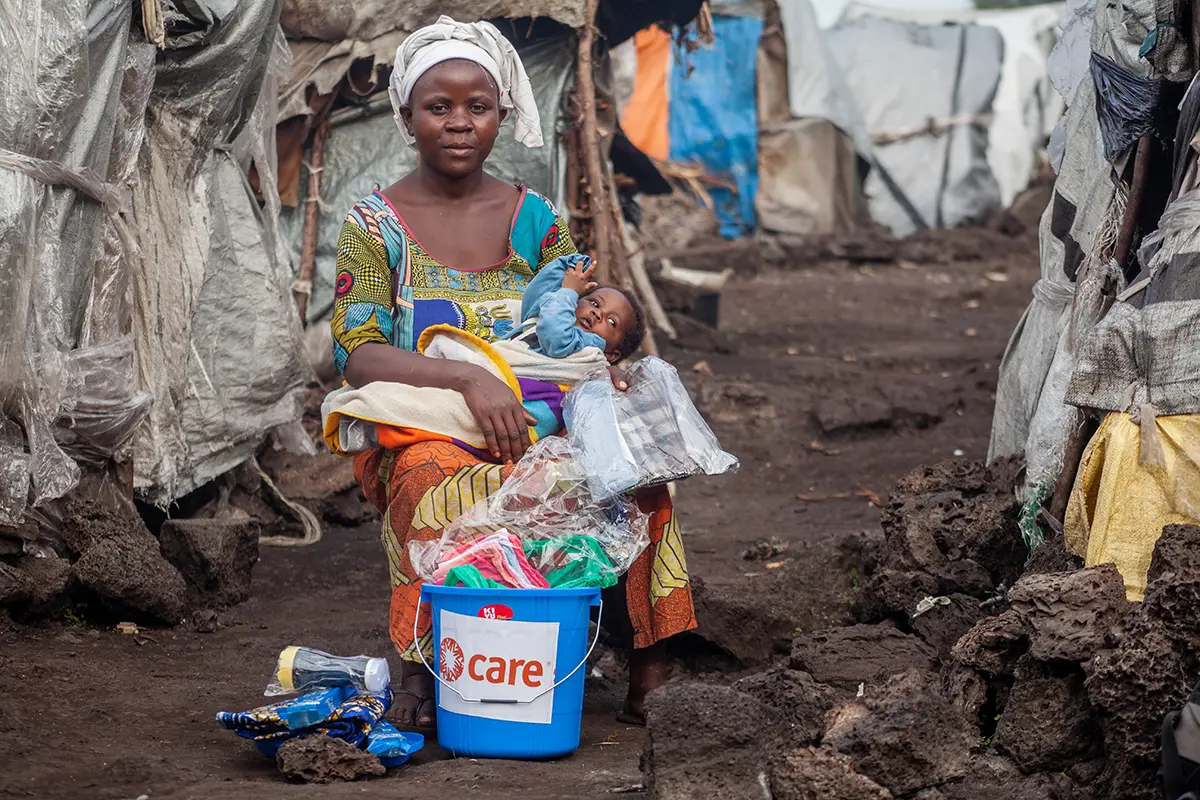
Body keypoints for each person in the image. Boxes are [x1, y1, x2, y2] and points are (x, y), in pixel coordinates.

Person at [331, 16, 696, 729]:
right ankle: (419, 668)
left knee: (639, 466)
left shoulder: (534, 219)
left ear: (502, 113)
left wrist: (607, 376)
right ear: (406, 116)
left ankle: (651, 666)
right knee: (430, 475)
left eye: (479, 107)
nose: (460, 123)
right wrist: (468, 380)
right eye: (439, 107)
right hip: (427, 422)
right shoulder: (373, 227)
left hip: (546, 415)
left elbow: (580, 317)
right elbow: (359, 352)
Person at [508, 252, 647, 364]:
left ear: (611, 355)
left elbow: (556, 337)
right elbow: (537, 296)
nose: (597, 313)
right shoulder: (546, 318)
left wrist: (569, 292)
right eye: (594, 303)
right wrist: (570, 265)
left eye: (611, 322)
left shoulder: (589, 347)